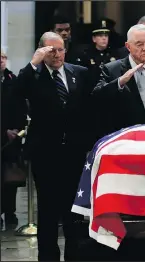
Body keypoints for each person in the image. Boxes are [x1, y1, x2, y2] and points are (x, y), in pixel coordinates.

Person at [15, 32, 95, 261]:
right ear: (41, 51)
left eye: (60, 49)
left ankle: (74, 256)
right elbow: (16, 93)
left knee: (74, 213)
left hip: (74, 153)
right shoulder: (33, 76)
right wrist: (33, 63)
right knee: (49, 213)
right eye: (51, 50)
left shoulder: (78, 73)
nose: (57, 54)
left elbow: (90, 108)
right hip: (45, 154)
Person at [1, 50, 27, 229]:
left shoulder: (12, 79)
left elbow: (20, 106)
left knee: (11, 178)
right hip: (2, 135)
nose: (1, 61)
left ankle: (10, 211)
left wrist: (17, 129)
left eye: (3, 58)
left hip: (13, 137)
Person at [75, 20, 119, 85]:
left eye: (106, 36)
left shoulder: (114, 53)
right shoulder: (86, 54)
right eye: (100, 36)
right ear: (94, 39)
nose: (104, 38)